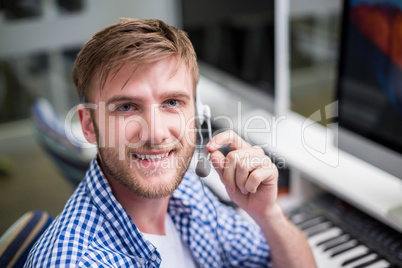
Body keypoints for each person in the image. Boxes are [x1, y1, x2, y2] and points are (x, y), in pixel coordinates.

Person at [25, 18, 316, 268]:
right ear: (89, 125)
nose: (156, 134)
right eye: (126, 107)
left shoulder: (187, 192)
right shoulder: (77, 260)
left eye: (172, 102)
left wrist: (267, 214)